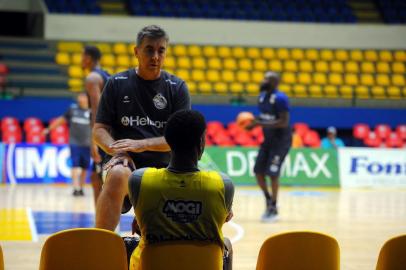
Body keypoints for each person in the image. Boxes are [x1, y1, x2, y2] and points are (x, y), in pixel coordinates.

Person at [93, 25, 191, 231]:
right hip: (125, 162)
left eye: (161, 50)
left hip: (165, 169)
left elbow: (180, 140)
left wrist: (140, 144)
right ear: (136, 52)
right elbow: (99, 129)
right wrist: (118, 150)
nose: (155, 56)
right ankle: (100, 244)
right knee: (119, 174)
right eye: (149, 49)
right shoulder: (116, 83)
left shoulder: (177, 87)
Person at [128, 109, 234, 270]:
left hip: (152, 265)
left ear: (169, 142)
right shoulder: (222, 184)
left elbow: (141, 224)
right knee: (227, 244)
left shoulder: (140, 180)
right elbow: (224, 218)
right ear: (201, 143)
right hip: (204, 265)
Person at [246, 71, 292, 222]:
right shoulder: (261, 97)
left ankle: (273, 207)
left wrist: (259, 123)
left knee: (273, 173)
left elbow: (283, 122)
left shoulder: (280, 98)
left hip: (281, 142)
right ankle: (268, 199)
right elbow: (265, 117)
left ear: (275, 82)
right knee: (258, 172)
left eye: (267, 79)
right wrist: (253, 123)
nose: (263, 80)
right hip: (268, 141)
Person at [43, 92, 91, 196]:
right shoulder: (73, 109)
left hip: (88, 144)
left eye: (83, 96)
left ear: (88, 98)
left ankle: (81, 188)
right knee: (75, 165)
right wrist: (48, 129)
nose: (80, 98)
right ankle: (75, 188)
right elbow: (61, 120)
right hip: (74, 143)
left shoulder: (92, 111)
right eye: (80, 96)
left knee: (84, 167)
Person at [82, 45, 110, 205]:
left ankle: (102, 223)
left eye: (82, 56)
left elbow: (97, 111)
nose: (81, 60)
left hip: (103, 134)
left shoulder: (92, 78)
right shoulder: (106, 75)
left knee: (100, 179)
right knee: (95, 176)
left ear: (88, 58)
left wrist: (94, 141)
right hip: (112, 132)